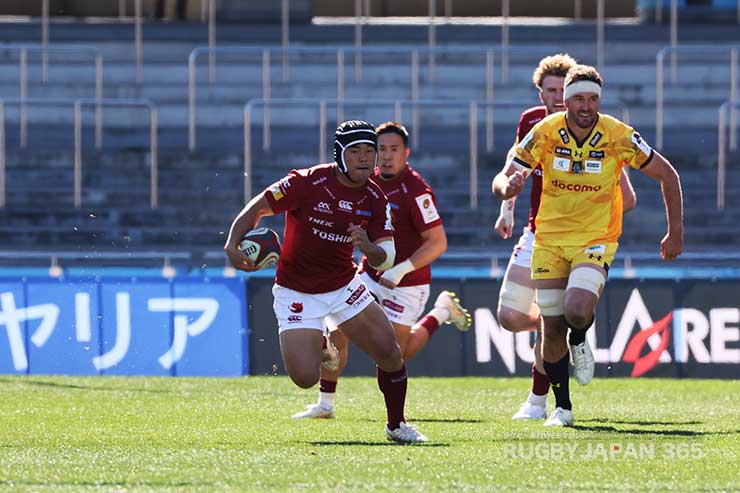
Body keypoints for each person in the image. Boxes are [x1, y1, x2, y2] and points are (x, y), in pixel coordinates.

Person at [493, 64, 683, 427]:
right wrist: (508, 189)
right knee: (549, 331)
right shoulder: (545, 131)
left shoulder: (617, 134)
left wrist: (675, 232)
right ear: (565, 100)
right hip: (547, 240)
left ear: (600, 100)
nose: (585, 106)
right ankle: (561, 408)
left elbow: (667, 174)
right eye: (578, 98)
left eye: (592, 98)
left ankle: (579, 338)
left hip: (595, 239)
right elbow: (504, 175)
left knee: (577, 310)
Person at [224, 120, 428, 443]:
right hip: (296, 290)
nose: (365, 158)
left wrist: (367, 247)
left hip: (343, 286)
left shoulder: (375, 197)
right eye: (356, 151)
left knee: (390, 353)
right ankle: (322, 343)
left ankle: (396, 425)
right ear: (339, 155)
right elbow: (259, 208)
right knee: (304, 378)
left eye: (369, 152)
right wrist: (232, 243)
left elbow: (386, 257)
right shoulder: (306, 182)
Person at [292, 121, 472, 420]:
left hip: (407, 282)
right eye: (381, 150)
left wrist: (400, 269)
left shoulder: (416, 191)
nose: (386, 156)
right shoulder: (365, 181)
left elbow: (438, 243)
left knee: (397, 353)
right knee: (338, 329)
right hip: (369, 274)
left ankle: (441, 311)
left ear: (406, 153)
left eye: (394, 149)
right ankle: (325, 404)